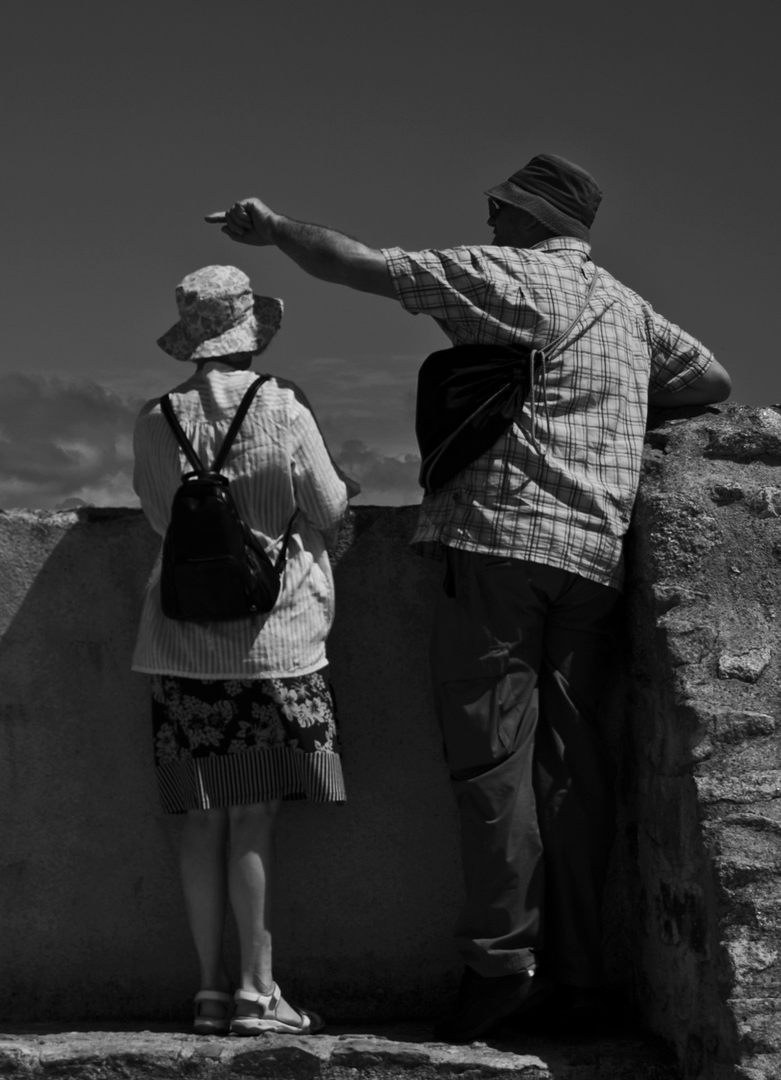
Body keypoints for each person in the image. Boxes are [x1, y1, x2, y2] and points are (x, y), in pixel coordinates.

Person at [207, 154, 731, 1042]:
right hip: (593, 556)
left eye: (498, 205)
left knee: (492, 764)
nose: (485, 217)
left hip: (498, 545)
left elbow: (359, 265)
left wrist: (274, 228)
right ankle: (583, 978)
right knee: (576, 769)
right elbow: (710, 382)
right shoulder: (627, 309)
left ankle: (502, 970)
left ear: (531, 216)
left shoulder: (509, 278)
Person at [132, 264, 351, 1037]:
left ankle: (209, 991)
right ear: (250, 333)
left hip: (180, 645)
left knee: (197, 819)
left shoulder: (153, 417)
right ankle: (260, 995)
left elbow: (162, 519)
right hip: (271, 641)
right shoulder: (282, 409)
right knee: (251, 818)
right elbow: (326, 505)